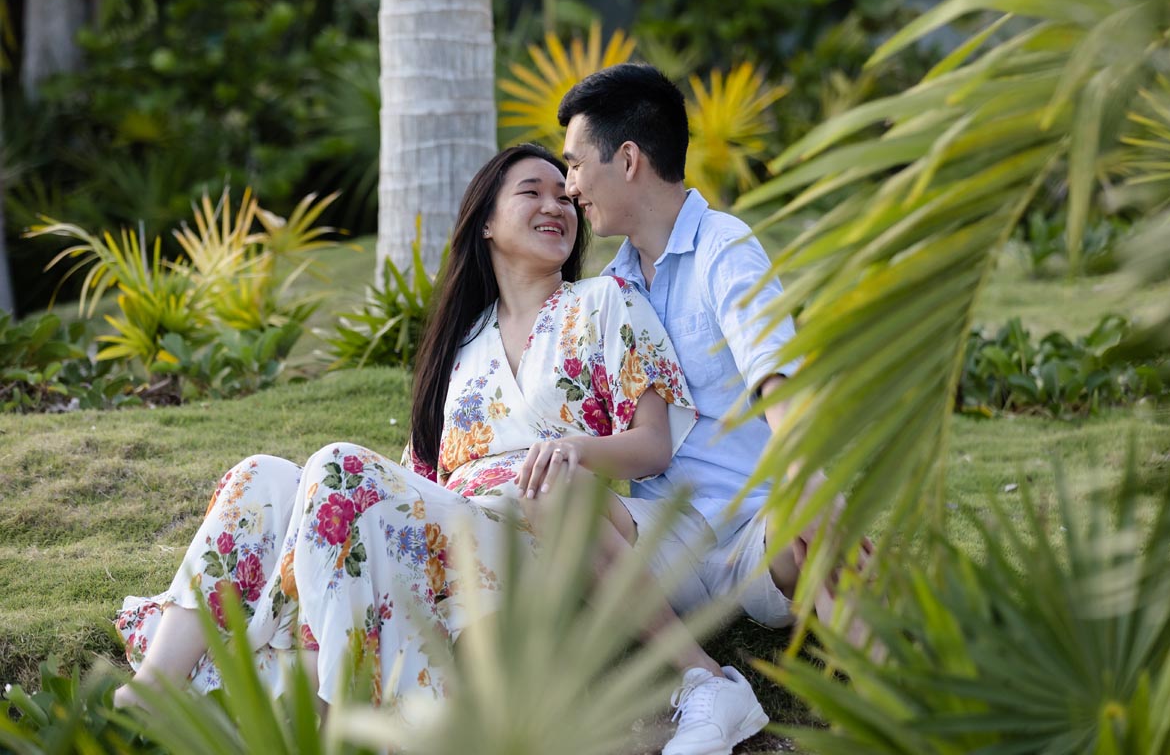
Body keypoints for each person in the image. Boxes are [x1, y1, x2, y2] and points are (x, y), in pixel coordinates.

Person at [113, 145, 768, 740]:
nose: (555, 206)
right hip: (442, 526)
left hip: (533, 536)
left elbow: (653, 445)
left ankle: (341, 716)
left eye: (564, 197)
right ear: (484, 221)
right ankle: (155, 687)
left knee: (337, 466)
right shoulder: (459, 346)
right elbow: (413, 478)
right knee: (263, 474)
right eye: (531, 192)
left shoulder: (604, 302)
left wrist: (576, 450)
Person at [558, 63, 872, 755]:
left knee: (812, 494)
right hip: (666, 547)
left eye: (576, 165)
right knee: (564, 488)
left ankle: (885, 707)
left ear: (629, 159)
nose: (569, 186)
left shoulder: (724, 247)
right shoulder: (609, 289)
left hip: (759, 541)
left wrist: (809, 482)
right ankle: (703, 682)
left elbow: (776, 381)